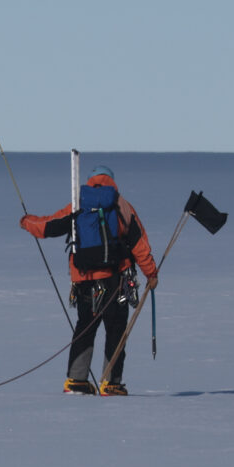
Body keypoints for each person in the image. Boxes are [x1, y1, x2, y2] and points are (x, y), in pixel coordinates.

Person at [20, 164, 157, 396]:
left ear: (90, 181)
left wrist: (26, 221)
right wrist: (151, 273)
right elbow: (138, 244)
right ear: (112, 181)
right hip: (117, 281)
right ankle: (111, 383)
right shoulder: (122, 206)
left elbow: (48, 226)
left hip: (85, 281)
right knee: (115, 329)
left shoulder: (79, 203)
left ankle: (76, 381)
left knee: (85, 328)